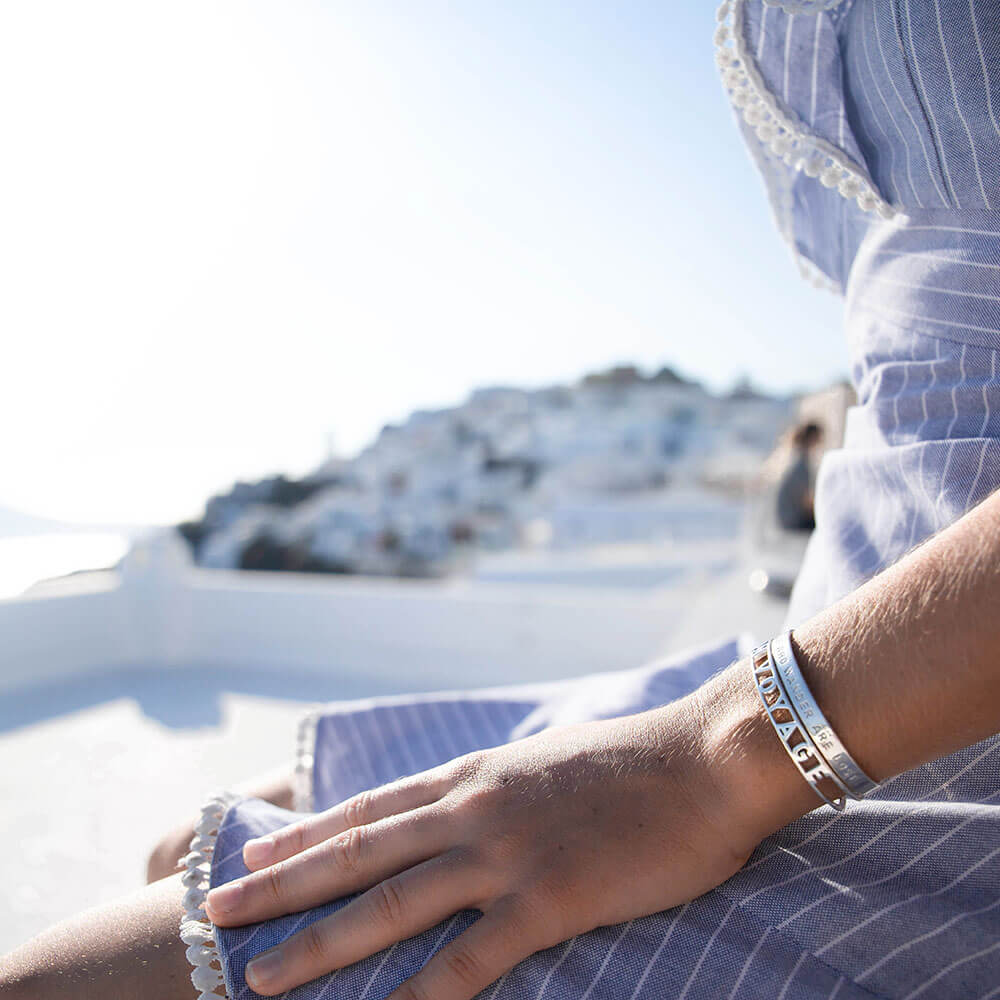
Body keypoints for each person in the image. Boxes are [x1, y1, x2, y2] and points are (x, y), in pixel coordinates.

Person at [5, 1, 1000, 997]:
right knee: (192, 849)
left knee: (68, 980)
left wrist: (716, 759)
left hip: (932, 727)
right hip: (853, 618)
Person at [775, 422, 823, 532]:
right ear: (812, 438)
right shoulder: (800, 463)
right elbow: (804, 501)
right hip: (791, 519)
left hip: (788, 516)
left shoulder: (798, 457)